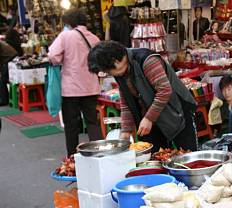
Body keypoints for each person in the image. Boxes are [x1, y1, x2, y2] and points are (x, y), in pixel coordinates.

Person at [87, 41, 198, 151]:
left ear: (115, 61)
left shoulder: (147, 60)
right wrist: (126, 131)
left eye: (107, 71)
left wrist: (148, 118)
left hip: (177, 113)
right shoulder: (120, 72)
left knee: (187, 156)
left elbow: (164, 91)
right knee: (154, 158)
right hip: (152, 117)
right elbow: (126, 101)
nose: (108, 74)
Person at [48, 9, 101, 156]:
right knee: (92, 122)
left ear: (69, 22)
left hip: (71, 88)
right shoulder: (94, 38)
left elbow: (53, 56)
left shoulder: (66, 36)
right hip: (91, 87)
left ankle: (72, 157)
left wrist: (61, 61)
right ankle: (99, 154)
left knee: (71, 125)